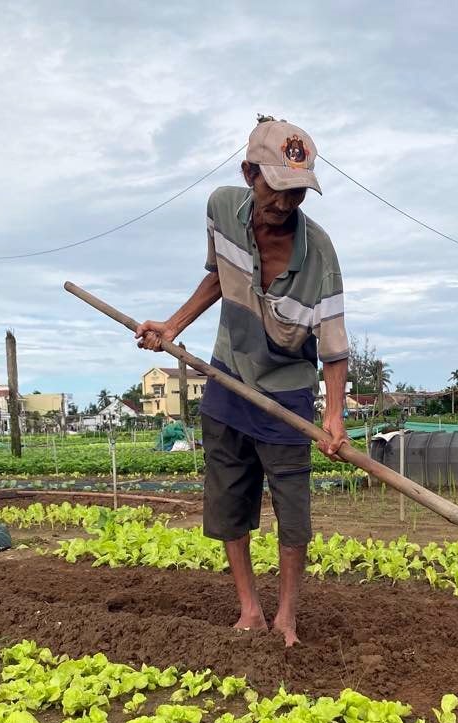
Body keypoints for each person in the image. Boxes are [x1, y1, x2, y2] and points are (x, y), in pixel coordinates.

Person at [136, 116, 348, 647]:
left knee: (292, 513)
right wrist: (173, 325)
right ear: (249, 172)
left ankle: (287, 617)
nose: (283, 205)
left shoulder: (319, 252)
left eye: (296, 194)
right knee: (229, 502)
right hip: (228, 380)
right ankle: (250, 609)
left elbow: (334, 342)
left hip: (289, 392)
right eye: (274, 189)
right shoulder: (220, 210)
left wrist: (333, 417)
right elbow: (219, 277)